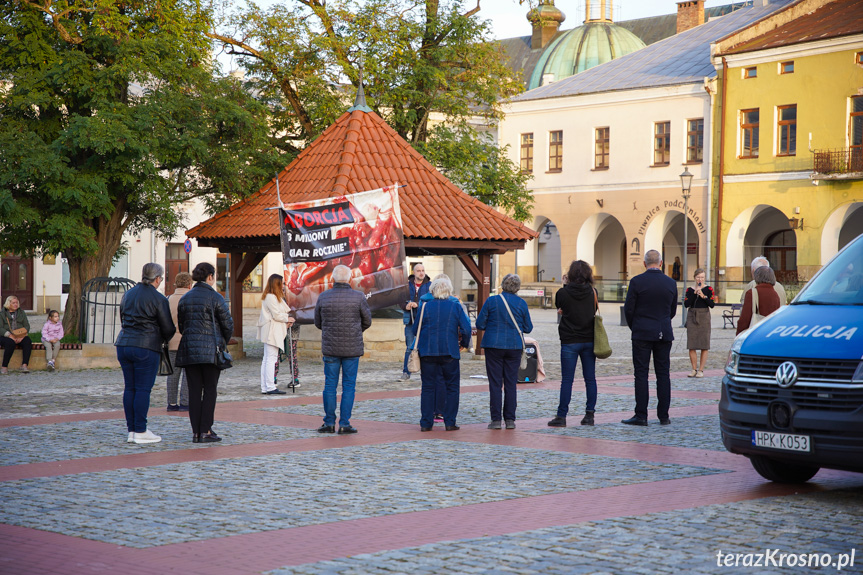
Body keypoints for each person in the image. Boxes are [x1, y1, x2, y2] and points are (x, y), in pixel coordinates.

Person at [115, 263, 175, 444]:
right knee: (142, 389)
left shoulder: (128, 294)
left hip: (124, 343)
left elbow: (123, 318)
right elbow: (168, 328)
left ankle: (132, 430)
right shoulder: (158, 298)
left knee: (130, 387)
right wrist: (163, 338)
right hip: (145, 346)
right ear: (157, 279)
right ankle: (140, 430)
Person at [176, 262, 234, 443]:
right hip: (211, 351)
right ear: (210, 276)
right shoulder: (215, 297)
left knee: (193, 391)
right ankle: (206, 430)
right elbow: (228, 324)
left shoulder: (185, 298)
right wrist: (222, 341)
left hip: (190, 351)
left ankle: (195, 432)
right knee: (210, 390)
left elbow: (182, 325)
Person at [314, 264, 372, 434]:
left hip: (331, 348)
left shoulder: (323, 297)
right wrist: (354, 331)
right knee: (349, 386)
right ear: (349, 279)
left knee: (330, 385)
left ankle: (329, 423)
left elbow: (318, 322)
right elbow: (367, 321)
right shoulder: (358, 297)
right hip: (352, 349)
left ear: (333, 278)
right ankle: (345, 423)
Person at [622, 249, 677, 426]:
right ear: (661, 263)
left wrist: (636, 326)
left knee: (641, 374)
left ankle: (641, 415)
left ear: (644, 264)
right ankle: (664, 416)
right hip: (664, 332)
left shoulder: (637, 282)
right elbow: (672, 311)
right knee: (663, 374)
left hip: (642, 333)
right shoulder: (670, 283)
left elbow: (629, 310)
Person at [476, 273, 533, 430]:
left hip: (493, 346)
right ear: (518, 287)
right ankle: (510, 420)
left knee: (495, 383)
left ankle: (495, 420)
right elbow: (528, 328)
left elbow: (480, 324)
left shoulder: (492, 301)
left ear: (502, 285)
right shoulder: (521, 303)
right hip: (514, 346)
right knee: (510, 383)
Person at [415, 274, 472, 432]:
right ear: (449, 291)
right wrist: (463, 344)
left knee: (427, 387)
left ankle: (426, 423)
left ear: (432, 291)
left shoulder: (425, 306)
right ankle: (450, 422)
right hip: (449, 351)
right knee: (452, 387)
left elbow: (415, 330)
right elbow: (466, 328)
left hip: (428, 352)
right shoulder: (455, 306)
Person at [548, 260, 599, 428]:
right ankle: (589, 415)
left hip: (569, 341)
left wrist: (564, 285)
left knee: (567, 380)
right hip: (589, 340)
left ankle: (561, 416)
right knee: (590, 379)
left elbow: (560, 306)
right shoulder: (593, 292)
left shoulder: (563, 293)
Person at [257, 273, 296, 395]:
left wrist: (286, 321)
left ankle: (266, 386)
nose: (284, 286)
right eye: (282, 283)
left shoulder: (274, 297)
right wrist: (287, 319)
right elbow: (277, 315)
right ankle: (269, 386)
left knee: (268, 358)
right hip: (271, 331)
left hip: (273, 329)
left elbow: (280, 313)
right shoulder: (271, 297)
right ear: (277, 284)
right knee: (270, 359)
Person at [399, 262, 430, 381]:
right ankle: (406, 372)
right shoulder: (406, 286)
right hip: (410, 322)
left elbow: (431, 301)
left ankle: (426, 374)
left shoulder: (430, 285)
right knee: (409, 348)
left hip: (425, 321)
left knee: (426, 348)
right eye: (419, 271)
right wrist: (405, 306)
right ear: (414, 272)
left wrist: (418, 304)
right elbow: (400, 300)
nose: (421, 273)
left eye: (423, 270)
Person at [166, 272, 191, 411]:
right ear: (189, 284)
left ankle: (171, 403)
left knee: (173, 374)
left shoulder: (168, 299)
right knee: (187, 374)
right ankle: (185, 402)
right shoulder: (191, 298)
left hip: (172, 341)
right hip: (187, 341)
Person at [683, 268, 714, 378]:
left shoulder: (709, 289)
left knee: (704, 344)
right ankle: (693, 369)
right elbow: (686, 304)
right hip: (692, 315)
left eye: (702, 277)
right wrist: (694, 294)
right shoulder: (689, 290)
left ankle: (701, 370)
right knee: (692, 344)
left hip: (704, 316)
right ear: (694, 278)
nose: (700, 279)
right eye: (698, 277)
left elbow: (712, 304)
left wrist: (703, 296)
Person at [737, 265, 782, 334]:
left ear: (757, 277)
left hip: (755, 333)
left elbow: (745, 319)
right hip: (769, 332)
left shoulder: (752, 293)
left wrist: (739, 334)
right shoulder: (775, 294)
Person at [1, 295, 32, 374]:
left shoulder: (21, 313)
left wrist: (22, 336)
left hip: (20, 335)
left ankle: (24, 365)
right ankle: (4, 366)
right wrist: (10, 335)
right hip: (6, 335)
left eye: (17, 303)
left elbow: (27, 326)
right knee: (10, 343)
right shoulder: (2, 314)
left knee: (27, 341)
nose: (16, 304)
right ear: (8, 304)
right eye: (13, 303)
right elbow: (0, 328)